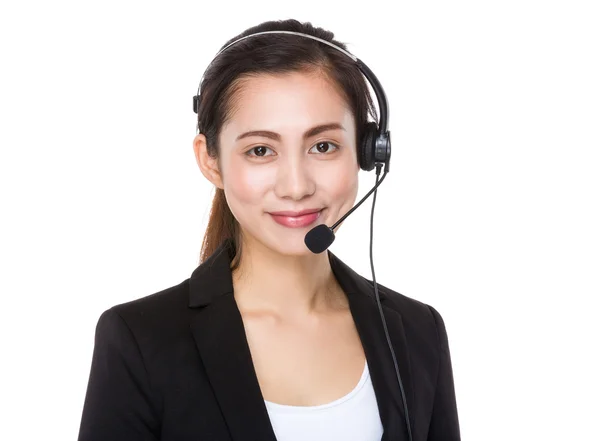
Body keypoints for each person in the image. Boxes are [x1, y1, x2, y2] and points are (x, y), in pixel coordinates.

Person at [77, 18, 461, 441]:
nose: (296, 186)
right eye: (261, 150)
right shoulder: (140, 341)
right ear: (211, 160)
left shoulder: (416, 329)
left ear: (368, 152)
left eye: (323, 146)